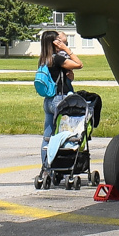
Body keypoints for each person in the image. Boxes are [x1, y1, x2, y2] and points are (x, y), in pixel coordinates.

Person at [39, 29, 82, 166]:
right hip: (60, 100)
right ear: (54, 42)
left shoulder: (44, 59)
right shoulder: (57, 58)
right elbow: (79, 64)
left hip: (49, 100)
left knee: (48, 136)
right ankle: (63, 166)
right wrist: (66, 49)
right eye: (58, 39)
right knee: (64, 134)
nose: (60, 41)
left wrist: (70, 76)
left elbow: (63, 74)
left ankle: (46, 167)